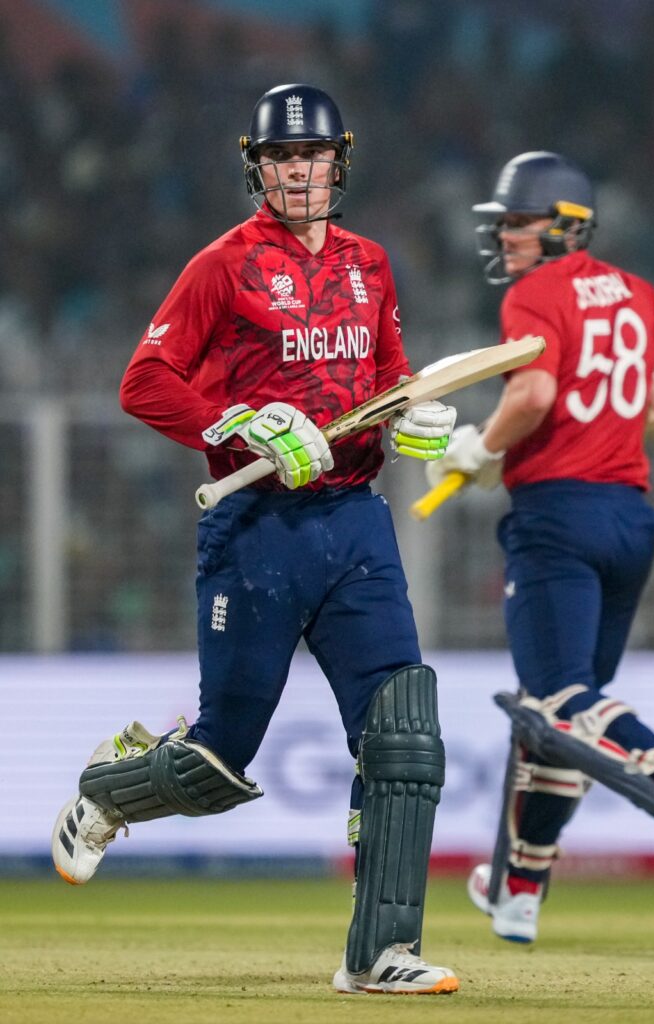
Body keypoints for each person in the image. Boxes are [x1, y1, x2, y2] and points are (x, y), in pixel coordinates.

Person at [51, 83, 460, 996]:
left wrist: (416, 424)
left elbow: (388, 383)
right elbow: (144, 382)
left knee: (403, 738)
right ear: (258, 169)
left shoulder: (371, 264)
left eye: (314, 156)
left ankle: (379, 954)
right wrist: (242, 423)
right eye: (282, 158)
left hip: (355, 522)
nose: (300, 172)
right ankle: (106, 791)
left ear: (339, 162)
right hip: (257, 530)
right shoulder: (222, 266)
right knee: (218, 757)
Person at [425, 150, 654, 944]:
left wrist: (479, 450)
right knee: (561, 713)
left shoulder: (536, 294)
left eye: (518, 224)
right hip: (630, 516)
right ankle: (520, 885)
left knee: (557, 699)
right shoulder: (635, 290)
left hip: (557, 514)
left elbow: (530, 393)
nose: (508, 239)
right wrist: (617, 418)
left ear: (561, 226)